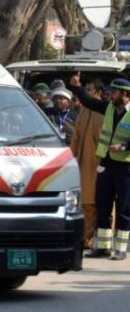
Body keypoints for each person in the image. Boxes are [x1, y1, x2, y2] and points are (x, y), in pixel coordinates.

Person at [69, 74, 130, 260]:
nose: (111, 94)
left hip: (125, 167)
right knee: (102, 205)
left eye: (115, 91)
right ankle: (102, 247)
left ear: (125, 94)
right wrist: (76, 88)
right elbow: (88, 102)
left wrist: (124, 146)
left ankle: (120, 249)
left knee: (124, 209)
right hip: (106, 164)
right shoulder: (109, 107)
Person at [70, 79, 105, 249]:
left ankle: (100, 239)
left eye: (89, 89)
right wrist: (70, 158)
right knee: (86, 202)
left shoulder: (104, 111)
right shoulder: (83, 111)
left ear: (98, 92)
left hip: (101, 164)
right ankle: (86, 238)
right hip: (83, 164)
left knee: (100, 202)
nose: (87, 92)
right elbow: (76, 136)